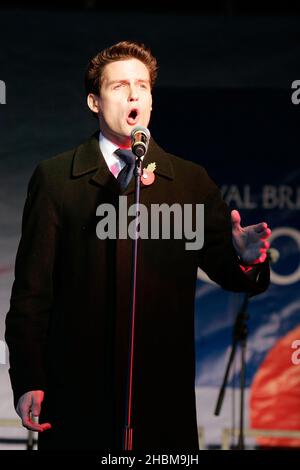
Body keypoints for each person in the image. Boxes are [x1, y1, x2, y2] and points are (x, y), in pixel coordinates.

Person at [5, 40, 271, 451]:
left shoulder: (188, 181)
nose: (134, 95)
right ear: (94, 102)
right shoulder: (57, 179)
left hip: (162, 401)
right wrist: (29, 379)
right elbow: (31, 294)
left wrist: (246, 258)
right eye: (120, 86)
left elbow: (231, 272)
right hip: (78, 397)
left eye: (142, 86)